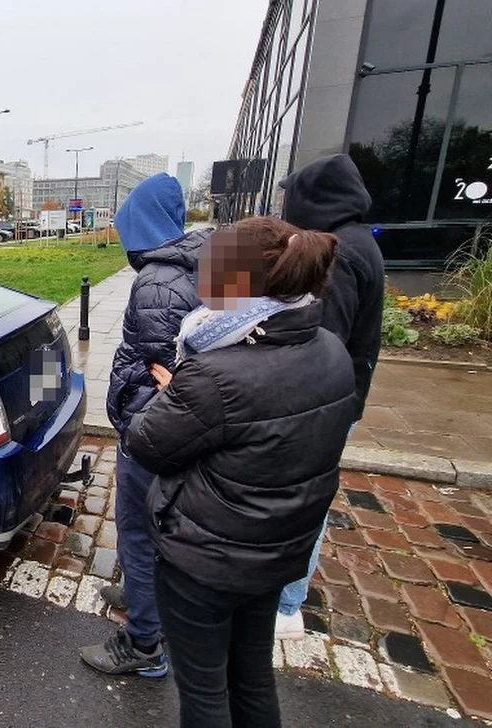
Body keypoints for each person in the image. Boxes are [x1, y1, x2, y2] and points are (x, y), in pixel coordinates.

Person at [126, 216, 357, 726]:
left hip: (208, 558)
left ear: (235, 282)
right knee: (252, 676)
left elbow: (147, 444)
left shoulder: (214, 372)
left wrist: (174, 391)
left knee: (205, 690)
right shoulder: (330, 349)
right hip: (277, 550)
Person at [80, 173, 211, 678]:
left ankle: (142, 644)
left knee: (137, 531)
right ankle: (144, 599)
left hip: (151, 430)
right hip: (180, 430)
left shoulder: (157, 281)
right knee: (159, 530)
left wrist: (140, 396)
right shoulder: (204, 259)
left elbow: (164, 368)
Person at [274, 154, 386, 639]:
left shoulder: (339, 253)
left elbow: (323, 340)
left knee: (302, 500)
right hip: (338, 398)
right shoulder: (361, 242)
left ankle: (285, 605)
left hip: (320, 405)